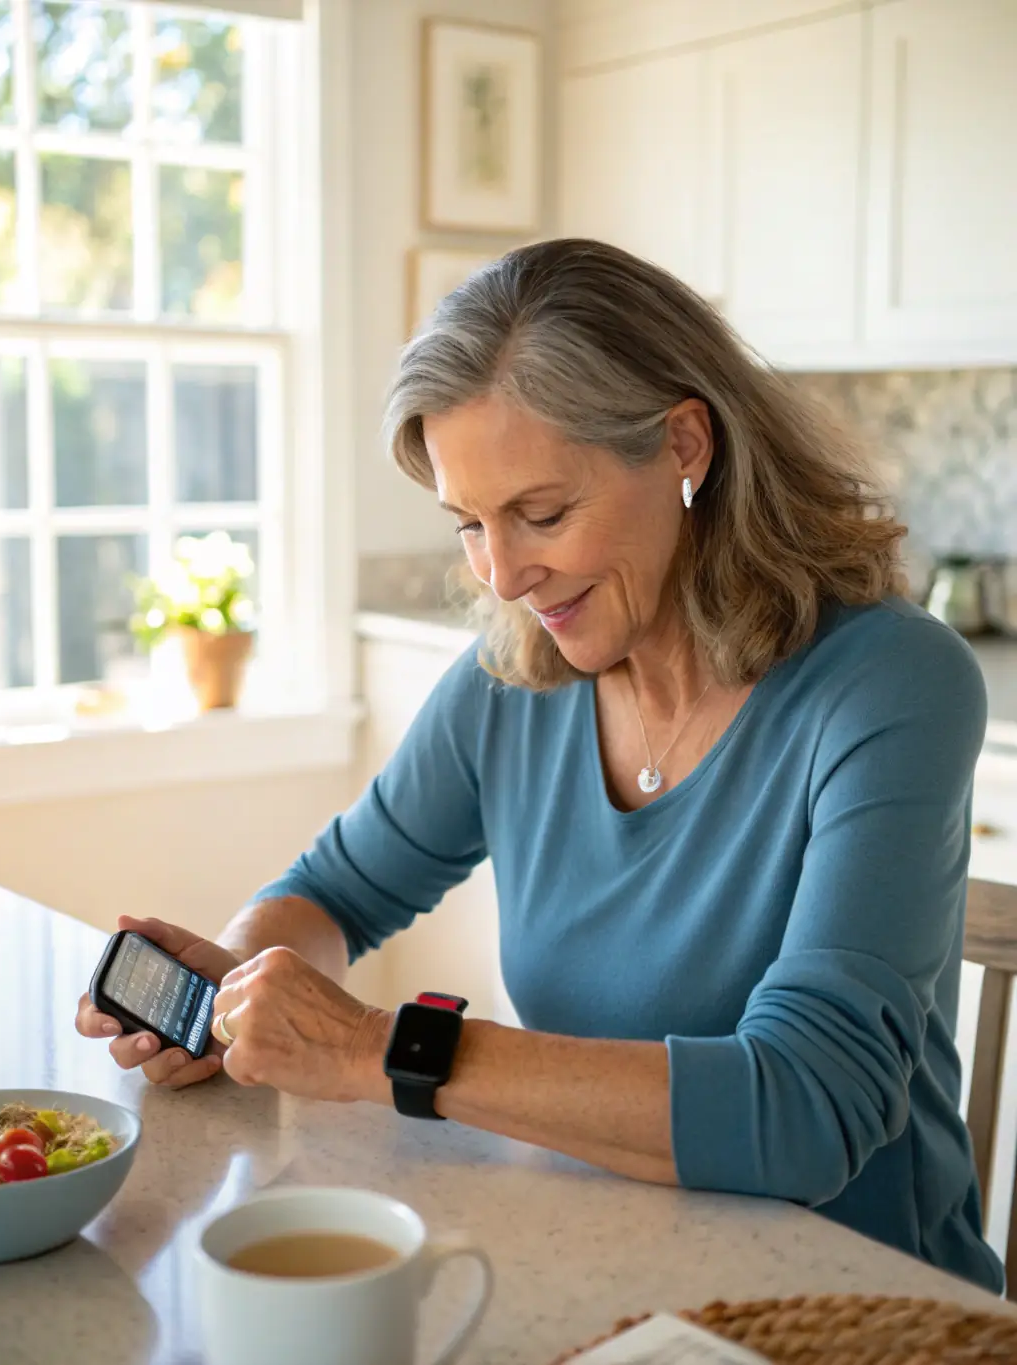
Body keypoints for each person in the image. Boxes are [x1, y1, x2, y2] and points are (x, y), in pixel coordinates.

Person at [76, 239, 1003, 1293]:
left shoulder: (888, 683)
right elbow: (336, 891)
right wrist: (234, 990)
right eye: (469, 523)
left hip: (862, 1302)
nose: (505, 574)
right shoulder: (516, 681)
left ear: (684, 446)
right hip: (610, 1263)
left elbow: (809, 1106)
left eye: (542, 513)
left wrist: (381, 1049)